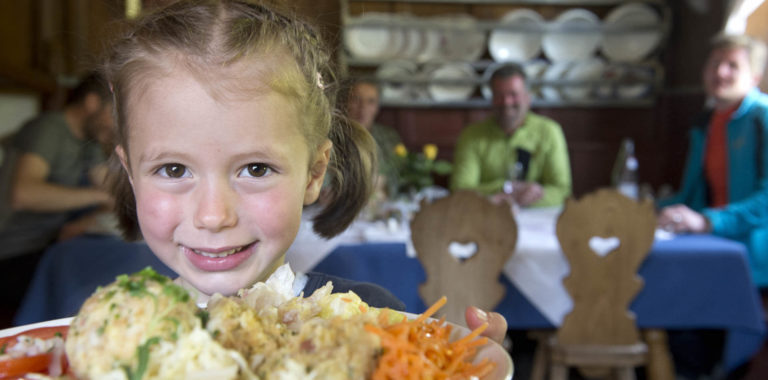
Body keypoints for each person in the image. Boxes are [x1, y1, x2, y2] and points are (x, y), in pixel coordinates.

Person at [102, 0, 506, 343]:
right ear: (132, 174)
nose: (213, 215)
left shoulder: (374, 326)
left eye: (255, 169)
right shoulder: (111, 338)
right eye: (173, 169)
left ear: (314, 174)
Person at [656, 33, 768, 379]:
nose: (720, 72)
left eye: (732, 65)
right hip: (709, 247)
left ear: (754, 77)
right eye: (715, 63)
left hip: (753, 253)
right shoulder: (704, 122)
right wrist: (650, 208)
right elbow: (691, 196)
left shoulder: (762, 118)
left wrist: (708, 222)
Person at [0, 72, 115, 314]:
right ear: (92, 103)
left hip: (46, 245)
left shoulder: (89, 141)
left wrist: (86, 220)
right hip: (13, 254)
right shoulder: (49, 129)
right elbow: (24, 194)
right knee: (90, 283)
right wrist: (100, 197)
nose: (116, 122)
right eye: (113, 112)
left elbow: (109, 188)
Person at [450, 63, 572, 208]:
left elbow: (562, 191)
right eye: (499, 95)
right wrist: (506, 189)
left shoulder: (550, 131)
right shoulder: (471, 135)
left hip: (538, 222)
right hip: (486, 221)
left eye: (513, 94)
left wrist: (534, 195)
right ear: (491, 98)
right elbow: (460, 190)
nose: (506, 102)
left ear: (527, 97)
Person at [344, 79, 403, 196]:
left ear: (377, 107)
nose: (363, 107)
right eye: (356, 99)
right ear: (346, 102)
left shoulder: (389, 137)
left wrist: (384, 184)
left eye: (370, 101)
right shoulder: (333, 136)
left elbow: (400, 175)